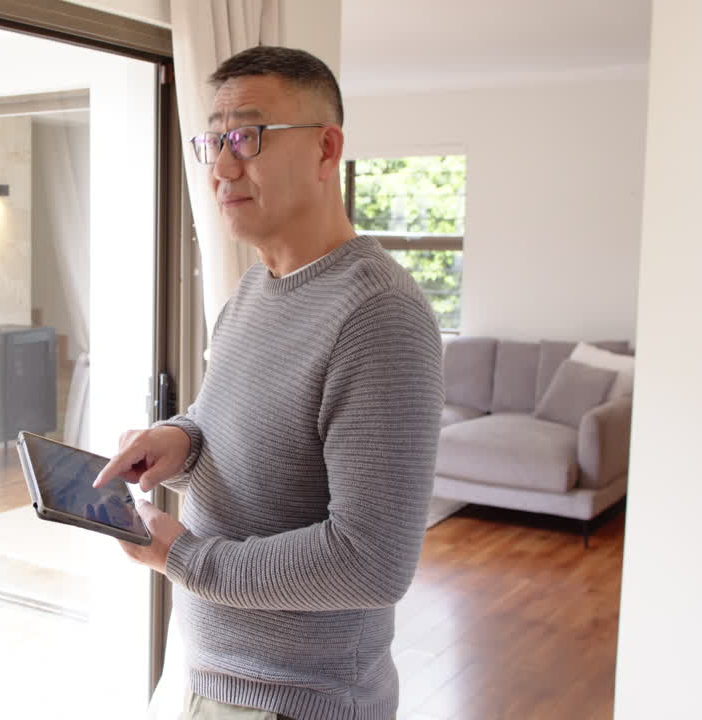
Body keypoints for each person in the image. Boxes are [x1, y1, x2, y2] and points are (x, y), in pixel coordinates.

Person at [94, 46, 443, 720]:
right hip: (210, 676)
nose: (223, 167)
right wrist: (178, 440)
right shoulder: (254, 288)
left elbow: (370, 561)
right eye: (215, 140)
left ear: (325, 147)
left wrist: (185, 559)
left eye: (247, 137)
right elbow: (225, 417)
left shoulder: (379, 316)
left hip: (297, 705)